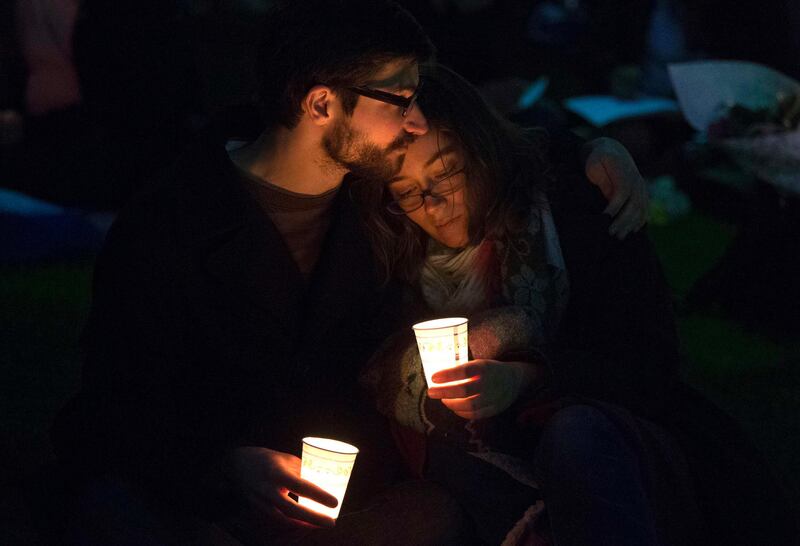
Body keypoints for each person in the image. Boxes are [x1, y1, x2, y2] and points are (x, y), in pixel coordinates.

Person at [49, 2, 648, 544]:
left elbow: (491, 150)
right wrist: (226, 465)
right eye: (402, 101)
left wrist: (590, 151)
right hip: (194, 487)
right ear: (320, 104)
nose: (415, 121)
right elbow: (117, 400)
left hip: (337, 504)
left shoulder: (374, 204)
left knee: (436, 516)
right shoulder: (174, 221)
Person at [355, 64, 797, 545]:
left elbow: (648, 363)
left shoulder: (575, 207)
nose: (434, 203)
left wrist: (527, 377)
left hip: (611, 438)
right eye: (408, 193)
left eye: (446, 172)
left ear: (482, 149)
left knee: (576, 435)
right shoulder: (388, 250)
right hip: (477, 462)